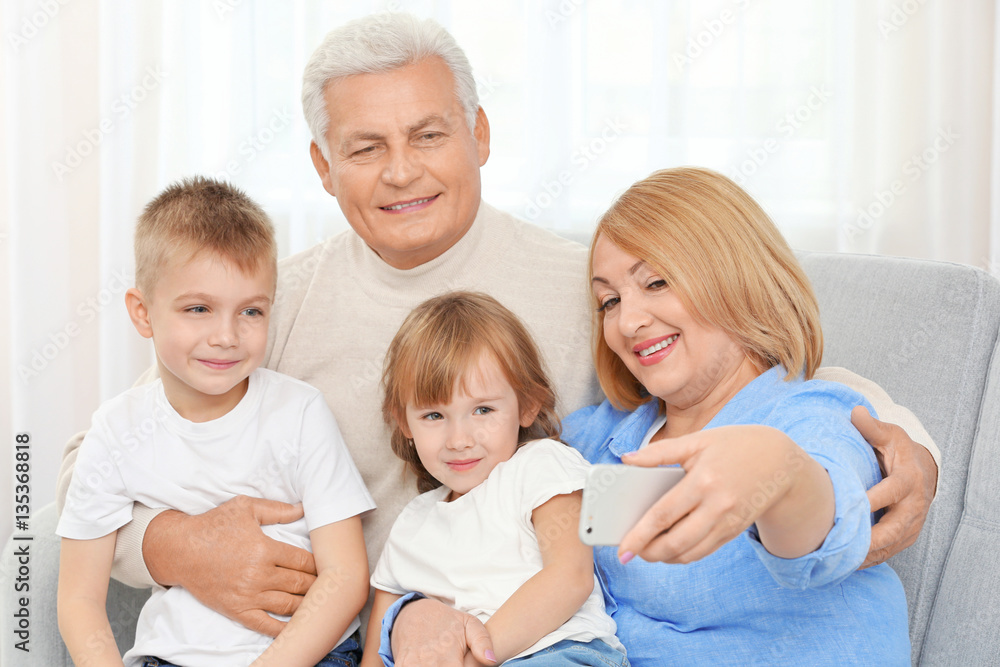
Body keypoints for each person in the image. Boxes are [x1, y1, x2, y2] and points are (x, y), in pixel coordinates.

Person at [54, 12, 936, 660]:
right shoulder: (263, 308)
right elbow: (88, 462)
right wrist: (169, 543)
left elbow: (737, 377)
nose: (401, 169)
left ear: (478, 134)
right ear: (323, 169)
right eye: (364, 148)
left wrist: (900, 441)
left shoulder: (581, 281)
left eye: (429, 134)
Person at [558, 167, 910, 665]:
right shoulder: (594, 437)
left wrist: (776, 472)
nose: (628, 322)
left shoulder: (813, 413)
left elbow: (821, 521)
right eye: (609, 301)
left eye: (656, 282)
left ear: (736, 277)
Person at [56, 177, 374, 667]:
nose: (226, 336)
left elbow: (346, 577)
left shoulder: (299, 412)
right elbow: (79, 600)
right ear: (143, 313)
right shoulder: (116, 431)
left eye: (250, 311)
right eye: (198, 309)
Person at [362, 292, 627, 667]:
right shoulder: (411, 523)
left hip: (559, 652)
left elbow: (571, 577)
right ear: (403, 421)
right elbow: (376, 652)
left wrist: (476, 659)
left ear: (528, 404)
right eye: (434, 416)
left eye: (483, 410)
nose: (459, 440)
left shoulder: (541, 465)